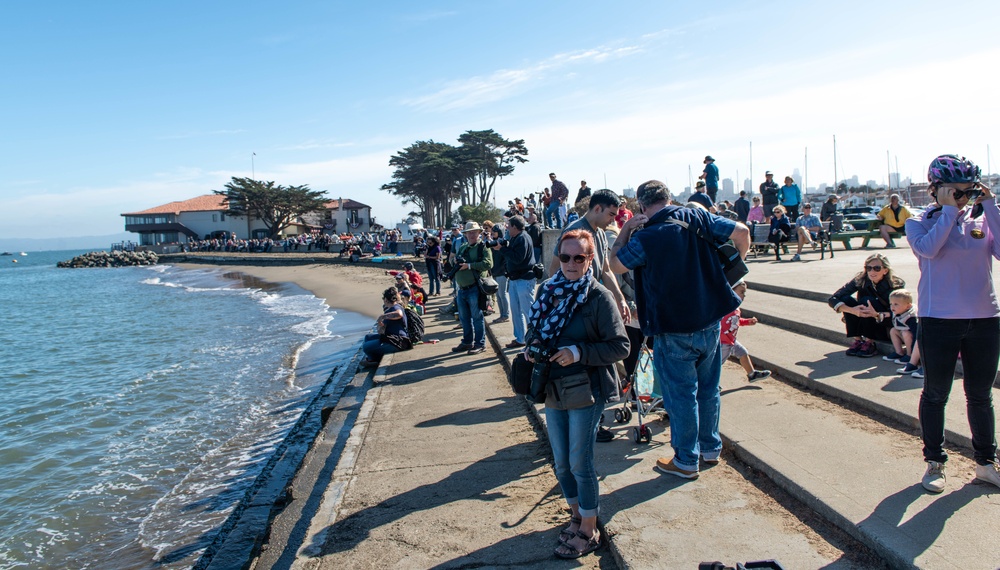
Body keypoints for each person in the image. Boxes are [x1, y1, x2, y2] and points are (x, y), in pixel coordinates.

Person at [610, 180, 750, 480]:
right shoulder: (696, 216)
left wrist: (625, 230)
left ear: (642, 207)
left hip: (673, 326)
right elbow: (742, 232)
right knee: (709, 389)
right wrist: (731, 272)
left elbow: (615, 264)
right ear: (669, 198)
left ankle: (686, 459)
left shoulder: (646, 236)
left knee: (681, 394)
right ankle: (710, 448)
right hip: (710, 319)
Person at [524, 229, 629, 559]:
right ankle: (576, 515)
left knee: (580, 463)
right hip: (554, 386)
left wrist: (578, 352)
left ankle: (589, 528)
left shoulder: (598, 297)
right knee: (561, 464)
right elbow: (534, 331)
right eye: (565, 257)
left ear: (590, 259)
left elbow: (620, 346)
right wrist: (533, 348)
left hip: (587, 389)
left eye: (579, 257)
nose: (571, 263)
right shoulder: (548, 292)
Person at [907, 154, 1000, 493]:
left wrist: (989, 206)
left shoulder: (983, 219)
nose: (964, 198)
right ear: (936, 190)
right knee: (935, 394)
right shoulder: (920, 221)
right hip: (938, 319)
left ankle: (986, 463)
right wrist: (949, 211)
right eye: (956, 192)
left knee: (980, 395)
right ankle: (935, 462)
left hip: (984, 318)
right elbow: (929, 250)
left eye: (969, 191)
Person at [547, 189, 632, 323]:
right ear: (598, 208)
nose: (612, 220)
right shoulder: (574, 231)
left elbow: (606, 271)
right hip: (575, 310)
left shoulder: (601, 234)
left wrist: (620, 300)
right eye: (611, 214)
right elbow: (554, 270)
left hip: (593, 306)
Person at [827, 253, 904, 358]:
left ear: (885, 270)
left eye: (877, 268)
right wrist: (852, 310)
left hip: (884, 325)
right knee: (846, 300)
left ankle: (869, 342)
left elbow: (901, 312)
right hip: (863, 321)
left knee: (867, 301)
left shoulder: (896, 285)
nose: (872, 272)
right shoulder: (861, 280)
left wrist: (877, 314)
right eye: (869, 268)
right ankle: (858, 340)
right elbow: (834, 298)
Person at [451, 221, 493, 355]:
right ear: (466, 234)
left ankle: (480, 344)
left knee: (477, 317)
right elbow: (455, 261)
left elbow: (488, 263)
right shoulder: (463, 247)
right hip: (462, 289)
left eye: (474, 232)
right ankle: (467, 342)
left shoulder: (483, 247)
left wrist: (469, 265)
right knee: (464, 318)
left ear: (479, 233)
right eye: (469, 232)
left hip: (475, 288)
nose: (472, 235)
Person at [721, 281, 772, 381]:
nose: (744, 295)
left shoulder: (736, 308)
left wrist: (747, 322)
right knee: (715, 366)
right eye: (741, 292)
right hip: (722, 343)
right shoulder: (725, 307)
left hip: (731, 341)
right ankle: (709, 385)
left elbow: (735, 321)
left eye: (744, 293)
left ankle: (752, 374)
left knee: (743, 352)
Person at [360, 287, 412, 367]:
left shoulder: (396, 307)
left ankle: (372, 360)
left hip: (398, 341)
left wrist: (382, 317)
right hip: (392, 338)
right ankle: (372, 359)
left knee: (366, 347)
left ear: (386, 300)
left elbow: (399, 314)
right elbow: (381, 331)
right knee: (368, 337)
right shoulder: (391, 309)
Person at [885, 289, 922, 378]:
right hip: (904, 334)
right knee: (893, 330)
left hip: (911, 338)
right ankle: (899, 352)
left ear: (908, 306)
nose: (892, 307)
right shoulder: (898, 311)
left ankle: (910, 355)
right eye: (891, 304)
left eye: (896, 304)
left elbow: (916, 334)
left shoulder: (911, 317)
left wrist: (914, 351)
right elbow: (889, 314)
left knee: (906, 333)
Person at [488, 225, 510, 325]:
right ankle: (502, 315)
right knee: (498, 295)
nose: (492, 233)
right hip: (495, 272)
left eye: (495, 231)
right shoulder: (493, 242)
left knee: (502, 294)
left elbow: (505, 258)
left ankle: (505, 315)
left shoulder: (503, 243)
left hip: (502, 273)